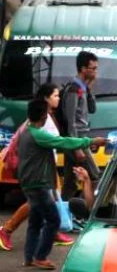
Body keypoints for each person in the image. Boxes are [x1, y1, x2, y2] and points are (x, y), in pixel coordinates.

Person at [18, 99, 106, 270]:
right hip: (38, 185)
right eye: (48, 113)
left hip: (30, 184)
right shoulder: (38, 134)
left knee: (35, 222)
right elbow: (64, 142)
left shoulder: (26, 133)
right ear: (43, 116)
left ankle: (29, 257)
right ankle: (40, 256)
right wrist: (91, 141)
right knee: (53, 220)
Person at [0, 84, 74, 252]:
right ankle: (6, 230)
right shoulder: (41, 118)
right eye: (55, 95)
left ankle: (52, 231)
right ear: (46, 98)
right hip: (38, 168)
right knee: (36, 202)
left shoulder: (47, 115)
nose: (58, 98)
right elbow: (26, 138)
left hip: (47, 165)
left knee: (50, 199)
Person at [61, 52, 101, 201]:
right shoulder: (73, 89)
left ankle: (65, 212)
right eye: (93, 68)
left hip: (81, 139)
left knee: (70, 182)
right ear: (83, 69)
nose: (95, 71)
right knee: (94, 175)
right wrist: (77, 147)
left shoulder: (83, 88)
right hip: (76, 140)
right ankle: (91, 209)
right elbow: (70, 121)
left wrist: (90, 89)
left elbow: (92, 109)